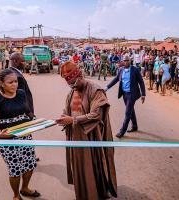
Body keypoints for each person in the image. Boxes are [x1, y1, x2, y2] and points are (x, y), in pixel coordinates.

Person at [56, 61, 117, 200]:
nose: (70, 85)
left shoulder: (96, 90)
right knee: (80, 167)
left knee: (95, 165)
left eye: (71, 80)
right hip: (76, 136)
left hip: (92, 137)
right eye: (67, 81)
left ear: (79, 75)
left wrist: (73, 120)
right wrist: (64, 118)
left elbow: (97, 114)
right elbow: (69, 109)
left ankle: (98, 193)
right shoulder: (72, 91)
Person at [0, 69, 40, 200]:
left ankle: (25, 188)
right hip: (8, 141)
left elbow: (28, 111)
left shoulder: (21, 94)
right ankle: (16, 195)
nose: (14, 84)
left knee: (30, 164)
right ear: (2, 83)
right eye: (10, 82)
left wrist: (36, 120)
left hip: (26, 136)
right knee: (15, 170)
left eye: (16, 81)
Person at [105, 55, 146, 138]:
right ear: (123, 61)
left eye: (127, 60)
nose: (126, 62)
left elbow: (141, 82)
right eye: (124, 60)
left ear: (130, 61)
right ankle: (134, 126)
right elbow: (116, 79)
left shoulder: (135, 70)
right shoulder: (121, 70)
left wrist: (143, 94)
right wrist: (107, 87)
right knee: (131, 110)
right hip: (124, 94)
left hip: (132, 94)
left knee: (127, 112)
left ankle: (122, 131)